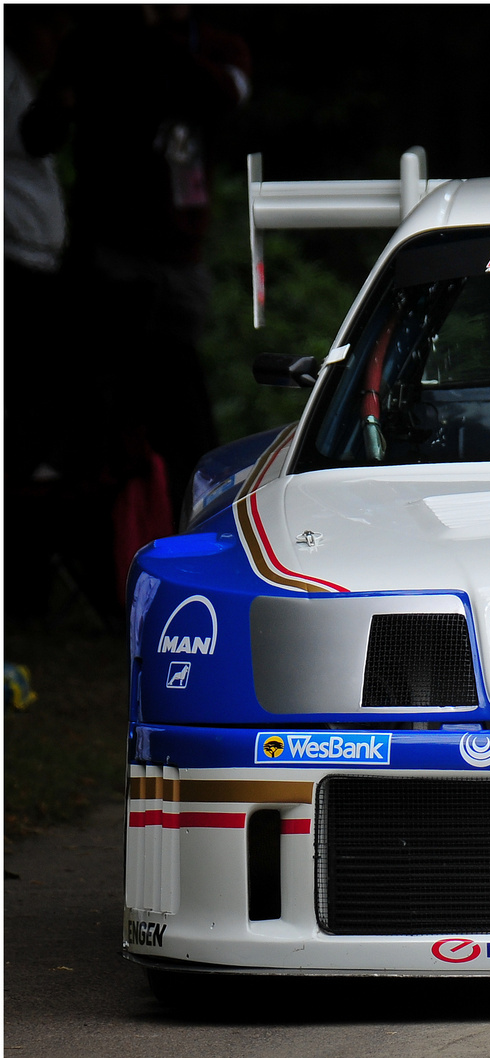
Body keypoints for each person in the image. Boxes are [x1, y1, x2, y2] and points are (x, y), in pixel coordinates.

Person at [20, 7, 250, 614]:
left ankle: (195, 567)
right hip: (109, 256)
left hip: (179, 256)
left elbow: (225, 98)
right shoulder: (97, 42)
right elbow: (37, 130)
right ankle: (102, 573)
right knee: (105, 423)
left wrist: (161, 43)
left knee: (183, 418)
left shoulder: (210, 42)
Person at [4, 10, 68, 619]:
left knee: (36, 426)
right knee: (20, 428)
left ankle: (29, 585)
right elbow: (35, 134)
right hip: (12, 266)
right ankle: (19, 588)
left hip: (37, 264)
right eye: (50, 26)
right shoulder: (6, 75)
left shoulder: (21, 74)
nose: (58, 40)